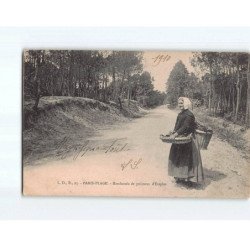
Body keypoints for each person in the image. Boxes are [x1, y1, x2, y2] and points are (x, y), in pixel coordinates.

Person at [168, 97, 204, 185]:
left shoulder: (189, 114)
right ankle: (179, 176)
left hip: (188, 139)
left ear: (186, 104)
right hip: (180, 138)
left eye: (181, 103)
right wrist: (173, 131)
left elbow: (186, 127)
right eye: (179, 103)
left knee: (186, 158)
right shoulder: (180, 114)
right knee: (177, 156)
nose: (179, 105)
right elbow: (177, 126)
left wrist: (175, 134)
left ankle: (189, 179)